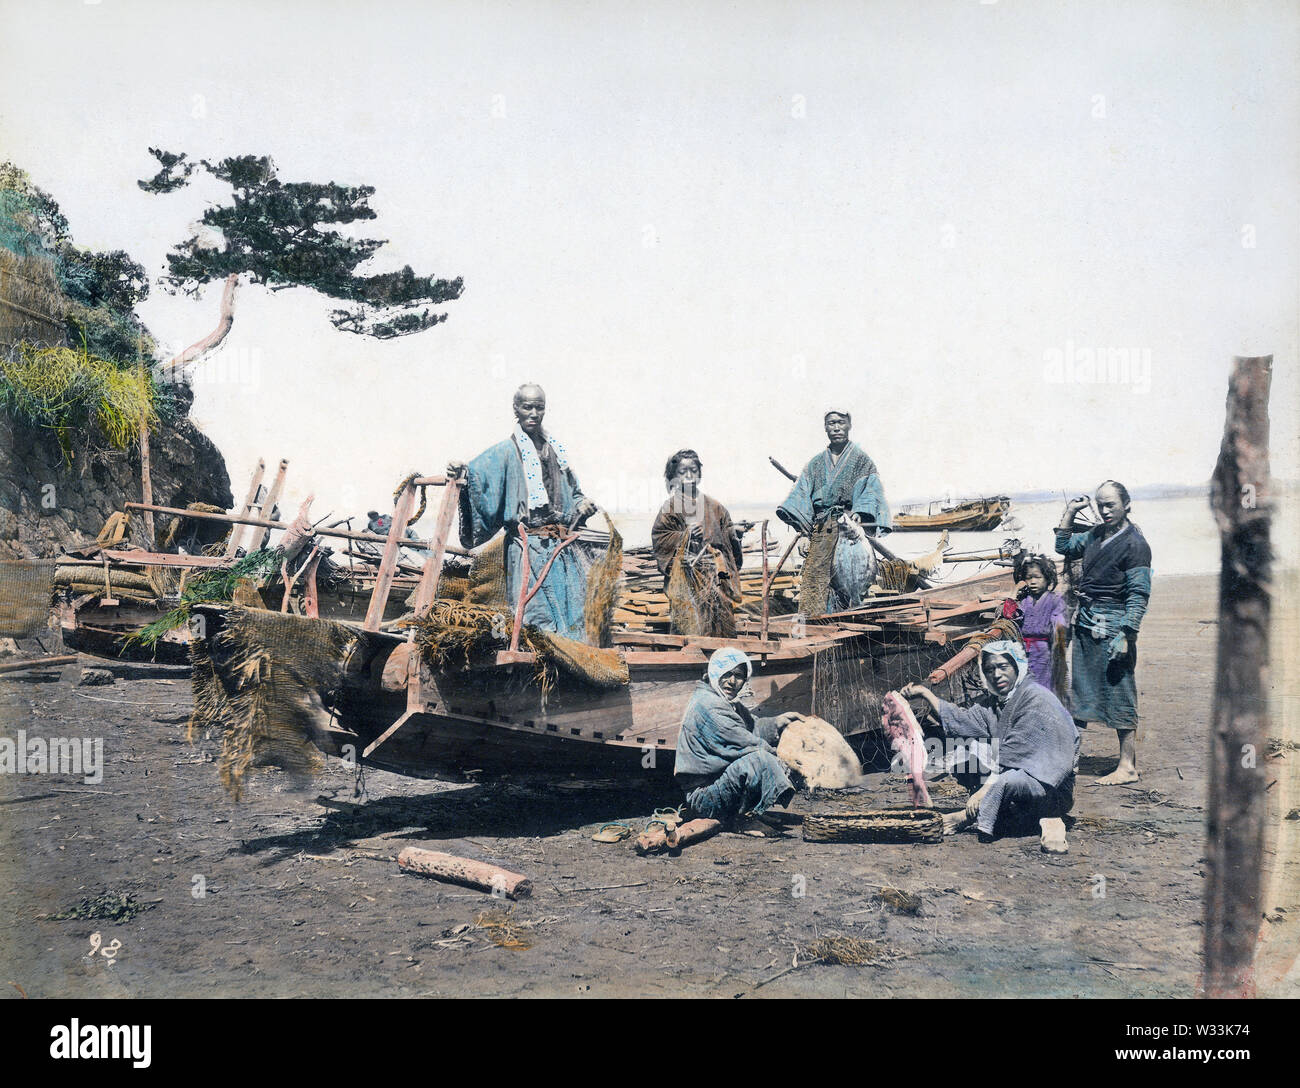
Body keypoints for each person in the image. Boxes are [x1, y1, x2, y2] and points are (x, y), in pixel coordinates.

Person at [446, 384, 598, 642]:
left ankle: (569, 667)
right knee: (534, 616)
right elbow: (474, 477)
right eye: (527, 406)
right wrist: (460, 471)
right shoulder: (505, 451)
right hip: (527, 547)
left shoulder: (557, 452)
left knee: (572, 615)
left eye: (539, 407)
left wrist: (583, 505)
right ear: (515, 409)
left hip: (561, 551)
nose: (534, 413)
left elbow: (575, 494)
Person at [901, 640, 1078, 852]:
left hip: (1051, 787)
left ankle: (969, 817)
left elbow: (1016, 753)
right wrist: (924, 693)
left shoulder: (1036, 698)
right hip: (1016, 778)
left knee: (1005, 780)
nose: (997, 675)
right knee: (963, 756)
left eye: (1003, 667)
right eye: (989, 670)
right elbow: (962, 720)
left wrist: (985, 790)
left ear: (1017, 667)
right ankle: (1008, 812)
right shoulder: (997, 702)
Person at [1055, 481, 1152, 785]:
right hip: (1086, 621)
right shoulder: (1096, 534)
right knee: (1080, 689)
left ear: (1126, 504)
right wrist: (1071, 511)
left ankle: (1128, 766)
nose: (1105, 510)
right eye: (1100, 504)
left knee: (1119, 690)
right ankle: (1069, 757)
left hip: (1114, 625)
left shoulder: (1135, 544)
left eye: (1111, 504)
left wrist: (1127, 633)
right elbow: (1063, 546)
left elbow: (1138, 594)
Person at [776, 410, 891, 615]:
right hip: (820, 533)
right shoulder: (815, 464)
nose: (836, 427)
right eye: (831, 423)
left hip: (849, 531)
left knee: (854, 584)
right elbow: (802, 496)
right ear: (825, 427)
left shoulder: (862, 461)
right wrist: (804, 534)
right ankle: (813, 627)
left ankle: (852, 623)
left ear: (849, 425)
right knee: (814, 583)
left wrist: (860, 511)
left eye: (840, 422)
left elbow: (872, 490)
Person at [674, 648, 804, 826]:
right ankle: (741, 820)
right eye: (726, 674)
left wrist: (777, 722)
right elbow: (745, 743)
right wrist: (783, 761)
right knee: (759, 759)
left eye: (739, 676)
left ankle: (747, 813)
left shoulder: (721, 700)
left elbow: (751, 727)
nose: (732, 682)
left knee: (760, 757)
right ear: (714, 672)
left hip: (718, 786)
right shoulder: (709, 705)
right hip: (704, 799)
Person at [651, 449, 745, 637]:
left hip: (717, 580)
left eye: (693, 470)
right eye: (682, 472)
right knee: (690, 629)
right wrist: (685, 536)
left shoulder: (716, 507)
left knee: (722, 627)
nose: (688, 475)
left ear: (700, 474)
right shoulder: (670, 508)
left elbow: (728, 542)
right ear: (673, 477)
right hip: (687, 580)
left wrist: (734, 533)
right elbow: (661, 539)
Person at [1013, 554, 1069, 697]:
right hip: (1023, 651)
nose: (1032, 582)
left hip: (1043, 652)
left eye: (1037, 577)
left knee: (1043, 688)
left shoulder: (1055, 601)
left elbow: (1059, 625)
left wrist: (1058, 628)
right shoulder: (1023, 602)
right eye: (1028, 577)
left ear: (1047, 578)